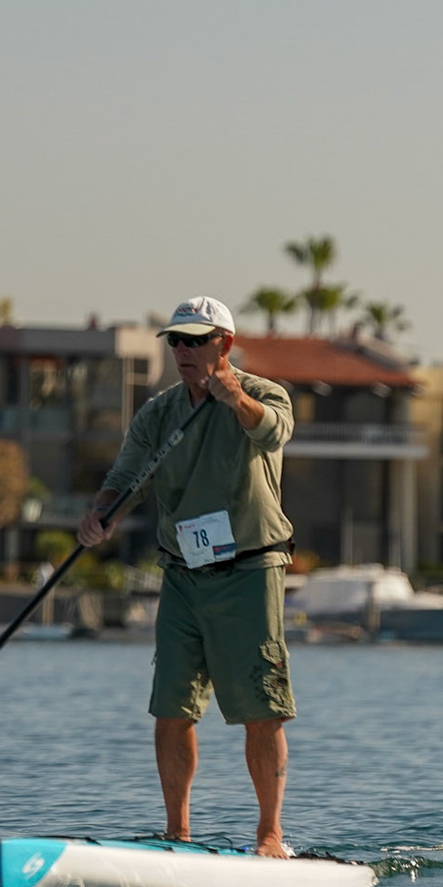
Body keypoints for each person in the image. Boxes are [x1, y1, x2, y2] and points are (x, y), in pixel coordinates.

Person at [77, 296, 298, 857]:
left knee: (261, 709)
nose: (182, 350)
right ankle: (177, 833)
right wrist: (102, 515)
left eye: (195, 340)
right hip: (182, 574)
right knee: (171, 708)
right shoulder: (157, 412)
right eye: (175, 340)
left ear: (224, 343)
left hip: (250, 571)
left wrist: (235, 400)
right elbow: (126, 477)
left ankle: (269, 835)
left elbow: (272, 433)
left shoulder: (265, 393)